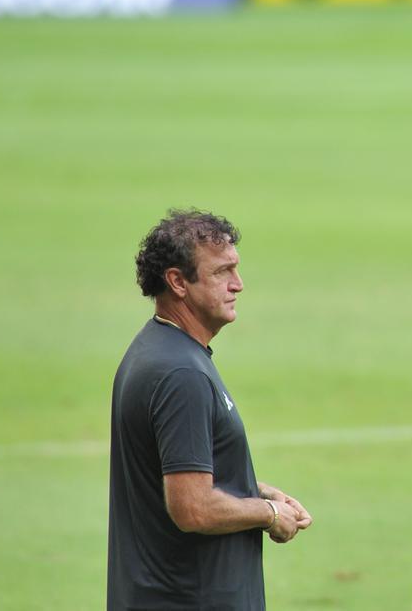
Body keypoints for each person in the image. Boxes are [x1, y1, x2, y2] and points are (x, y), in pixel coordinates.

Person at [108, 209, 311, 610]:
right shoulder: (181, 374)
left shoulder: (156, 349)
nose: (238, 284)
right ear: (178, 282)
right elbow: (193, 508)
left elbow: (177, 474)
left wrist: (255, 490)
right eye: (222, 272)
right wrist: (269, 513)